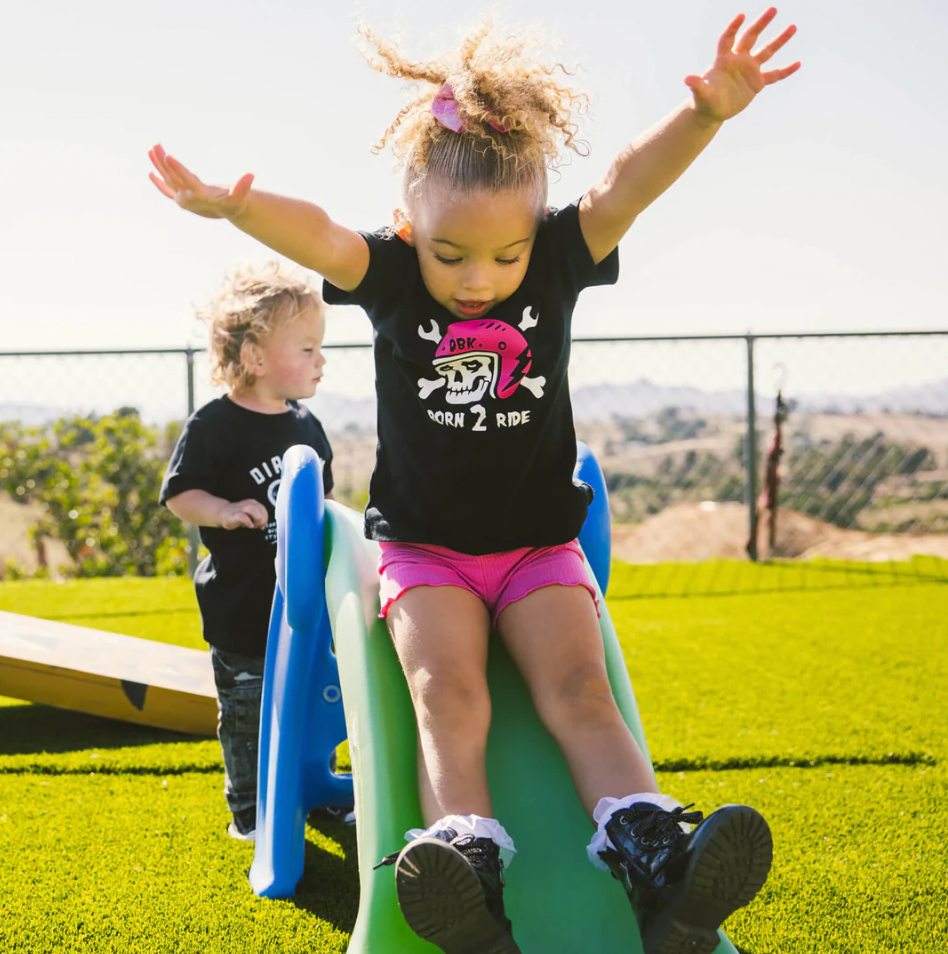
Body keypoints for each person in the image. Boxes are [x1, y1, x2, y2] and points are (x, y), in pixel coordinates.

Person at [148, 9, 799, 952]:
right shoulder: (392, 276)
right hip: (426, 555)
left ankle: (660, 869)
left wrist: (704, 116)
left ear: (538, 230)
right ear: (411, 230)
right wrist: (236, 207)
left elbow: (624, 185)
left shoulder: (562, 259)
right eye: (450, 254)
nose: (477, 279)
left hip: (538, 547)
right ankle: (469, 878)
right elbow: (324, 234)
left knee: (579, 688)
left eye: (507, 254)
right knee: (446, 696)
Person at [160, 264, 336, 842]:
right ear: (257, 358)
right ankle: (252, 811)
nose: (321, 360)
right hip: (241, 612)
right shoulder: (215, 425)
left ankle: (321, 790)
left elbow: (322, 500)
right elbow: (181, 494)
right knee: (249, 714)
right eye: (308, 347)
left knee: (313, 705)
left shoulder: (307, 427)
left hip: (304, 608)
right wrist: (225, 511)